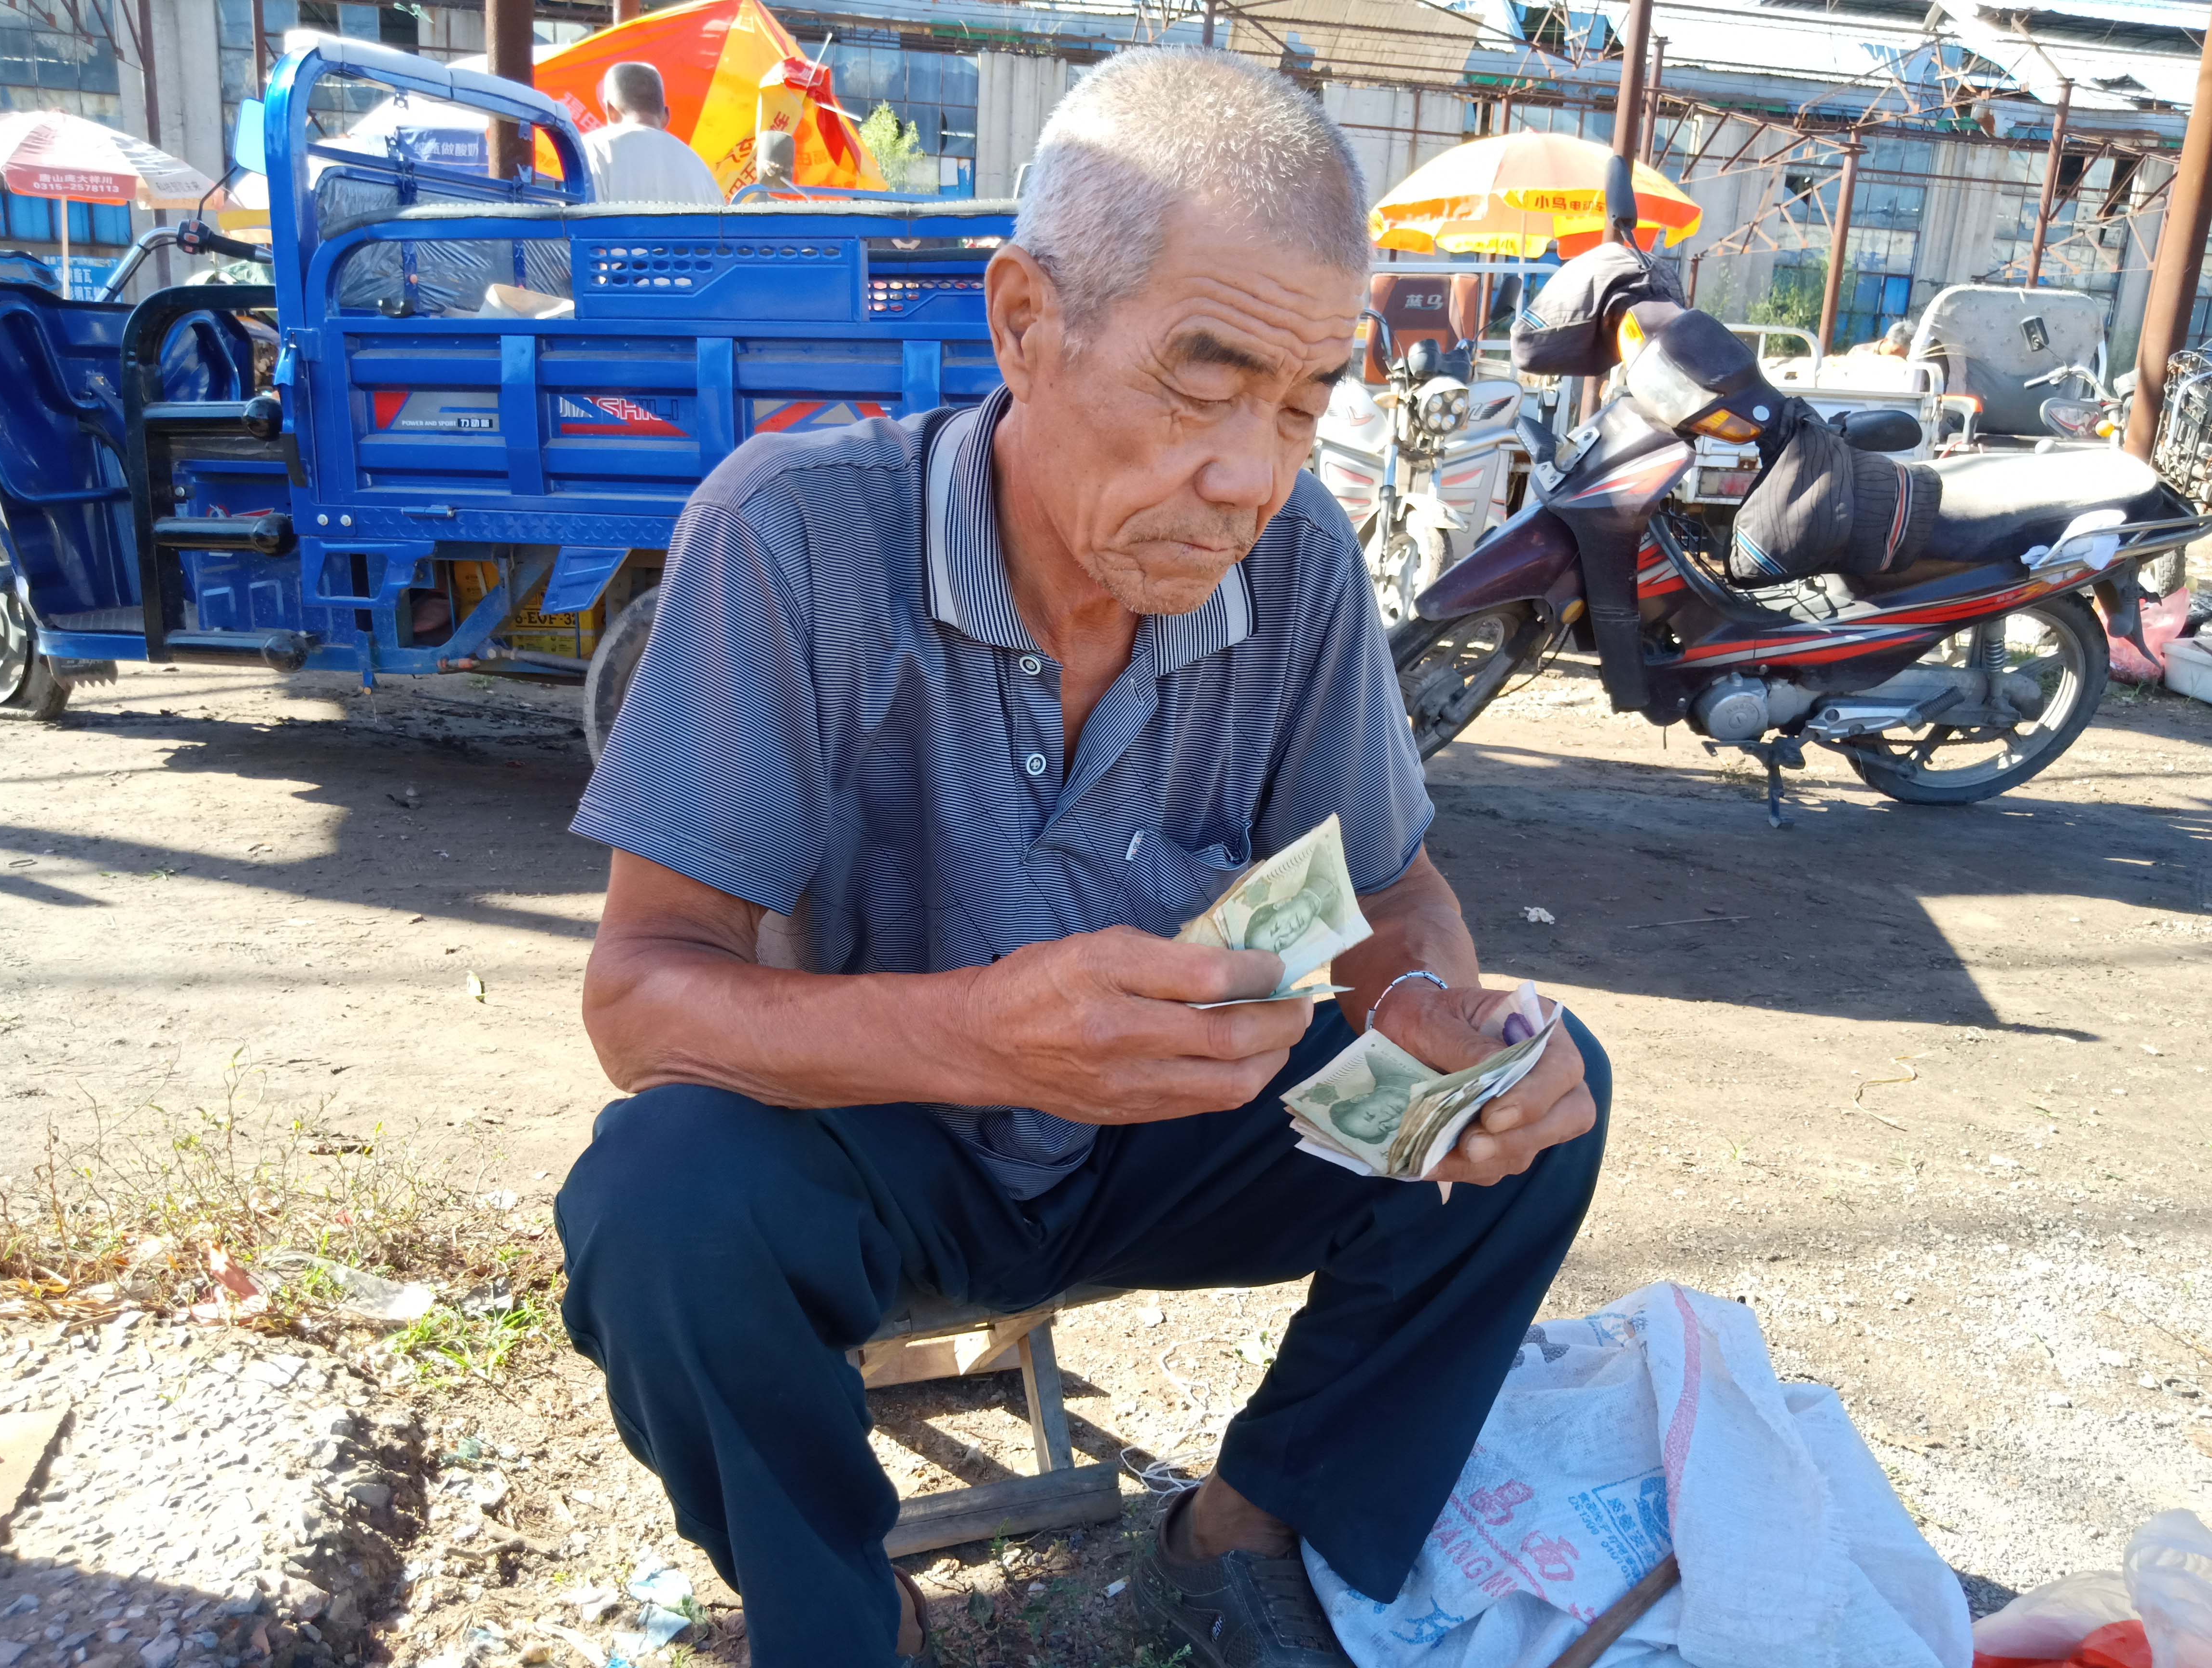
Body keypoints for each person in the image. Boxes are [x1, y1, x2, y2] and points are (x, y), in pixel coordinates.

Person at [554, 45, 1610, 1668]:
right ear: (1022, 322)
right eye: (1202, 385)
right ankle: (843, 1612)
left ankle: (1243, 1526)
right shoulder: (796, 537)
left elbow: (1389, 897)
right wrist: (975, 1029)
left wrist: (1435, 1025)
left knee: (1539, 1096)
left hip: (1162, 1138)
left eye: (1301, 405)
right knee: (659, 1202)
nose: (1249, 475)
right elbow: (640, 1003)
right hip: (878, 1155)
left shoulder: (1302, 561)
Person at [580, 61, 724, 205]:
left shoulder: (592, 150)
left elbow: (581, 219)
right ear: (666, 116)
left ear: (611, 110)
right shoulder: (700, 168)